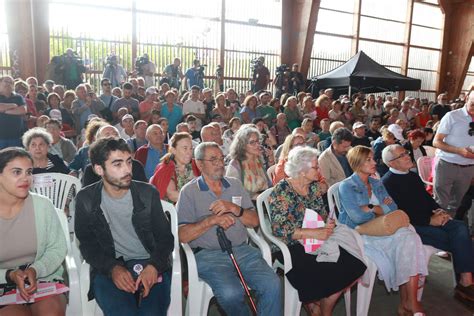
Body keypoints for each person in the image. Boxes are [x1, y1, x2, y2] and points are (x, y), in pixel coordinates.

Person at [177, 142, 281, 315]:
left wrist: (234, 208)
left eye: (221, 158)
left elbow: (254, 221)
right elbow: (182, 235)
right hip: (209, 256)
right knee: (231, 293)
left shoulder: (234, 184)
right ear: (199, 163)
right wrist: (211, 221)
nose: (220, 163)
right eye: (213, 159)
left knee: (273, 284)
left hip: (243, 251)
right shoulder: (189, 192)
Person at [75, 138, 173, 316]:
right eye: (117, 164)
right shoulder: (86, 199)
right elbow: (88, 245)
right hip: (110, 268)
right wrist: (112, 268)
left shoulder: (147, 193)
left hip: (151, 264)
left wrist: (154, 266)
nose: (128, 170)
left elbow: (165, 238)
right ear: (99, 169)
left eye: (129, 162)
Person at [269, 147, 366, 315]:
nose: (319, 171)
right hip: (291, 244)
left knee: (353, 264)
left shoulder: (313, 188)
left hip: (318, 240)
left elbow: (320, 215)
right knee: (325, 272)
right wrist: (314, 233)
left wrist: (326, 225)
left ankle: (321, 309)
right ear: (302, 170)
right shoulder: (282, 190)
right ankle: (317, 307)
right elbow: (280, 229)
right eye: (315, 167)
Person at [338, 145, 428, 315]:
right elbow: (357, 218)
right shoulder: (347, 186)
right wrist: (379, 209)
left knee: (410, 238)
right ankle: (409, 303)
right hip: (360, 233)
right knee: (408, 239)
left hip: (383, 229)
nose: (374, 162)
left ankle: (409, 302)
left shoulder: (376, 183)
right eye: (369, 160)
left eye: (373, 158)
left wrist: (370, 207)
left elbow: (393, 207)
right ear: (357, 163)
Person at [381, 144, 474, 301]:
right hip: (411, 226)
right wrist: (429, 221)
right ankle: (465, 282)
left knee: (460, 227)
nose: (407, 155)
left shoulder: (411, 175)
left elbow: (425, 198)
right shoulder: (387, 183)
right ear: (391, 163)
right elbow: (399, 214)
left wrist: (439, 211)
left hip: (430, 219)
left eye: (406, 153)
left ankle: (465, 281)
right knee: (459, 239)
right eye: (402, 155)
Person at [0, 147, 67, 316]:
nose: (25, 178)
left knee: (51, 312)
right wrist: (9, 275)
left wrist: (36, 270)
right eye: (17, 172)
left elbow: (57, 248)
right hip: (2, 283)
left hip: (42, 277)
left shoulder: (42, 205)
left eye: (29, 172)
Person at [432, 89, 474, 212]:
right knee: (440, 203)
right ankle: (437, 229)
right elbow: (436, 142)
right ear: (466, 99)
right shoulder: (452, 116)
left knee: (456, 203)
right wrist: (459, 151)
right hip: (446, 165)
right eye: (473, 104)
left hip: (468, 168)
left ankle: (449, 227)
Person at [81, 125, 147, 186]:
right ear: (98, 141)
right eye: (107, 134)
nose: (113, 137)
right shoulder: (92, 170)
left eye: (115, 134)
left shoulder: (135, 165)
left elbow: (144, 191)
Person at [150, 133, 201, 203]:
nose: (189, 152)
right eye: (185, 148)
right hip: (173, 210)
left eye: (191, 148)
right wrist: (198, 199)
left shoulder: (195, 165)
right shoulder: (166, 168)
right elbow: (172, 195)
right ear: (174, 150)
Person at [226, 126, 272, 200]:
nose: (257, 145)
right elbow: (233, 192)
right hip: (249, 205)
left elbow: (268, 184)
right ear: (243, 145)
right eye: (252, 142)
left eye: (257, 141)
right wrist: (257, 197)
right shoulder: (236, 164)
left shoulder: (258, 159)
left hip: (264, 201)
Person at [0, 76, 27, 149]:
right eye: (6, 81)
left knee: (15, 158)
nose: (8, 84)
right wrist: (13, 105)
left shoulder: (18, 97)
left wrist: (4, 111)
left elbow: (23, 110)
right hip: (0, 137)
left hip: (16, 136)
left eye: (11, 82)